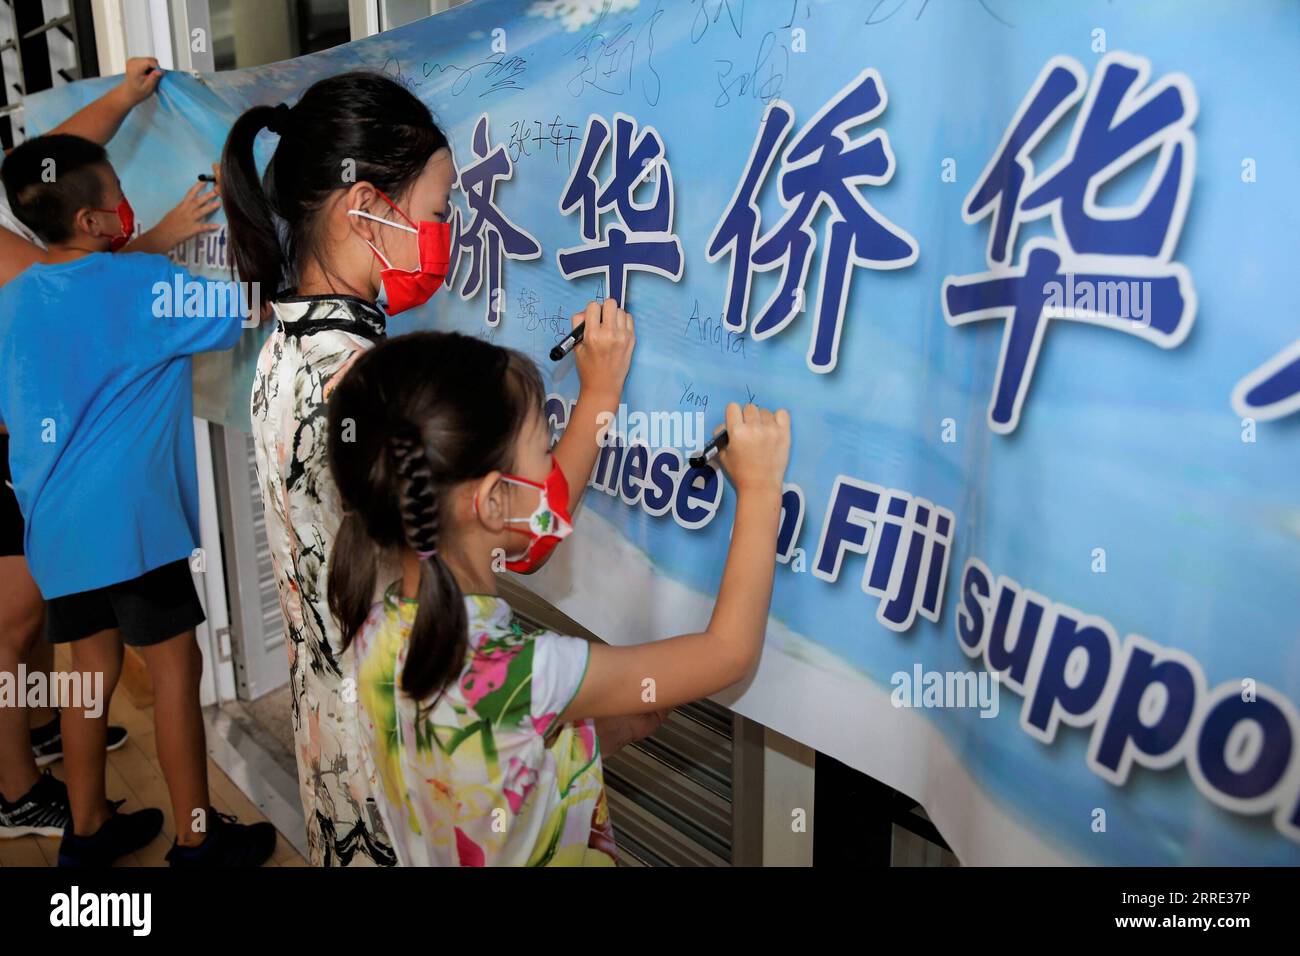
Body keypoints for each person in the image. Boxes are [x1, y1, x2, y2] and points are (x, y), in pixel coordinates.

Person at [327, 329, 791, 865]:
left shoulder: (376, 634)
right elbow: (729, 654)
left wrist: (593, 735)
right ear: (493, 503)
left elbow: (475, 762)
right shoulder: (527, 673)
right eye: (546, 451)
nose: (555, 469)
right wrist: (760, 490)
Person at [0, 133, 274, 866]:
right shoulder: (145, 284)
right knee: (177, 676)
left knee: (88, 676)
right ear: (92, 221)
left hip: (56, 531)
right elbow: (255, 303)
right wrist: (247, 203)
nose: (128, 203)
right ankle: (196, 836)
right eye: (116, 192)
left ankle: (84, 835)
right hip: (133, 531)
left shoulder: (17, 296)